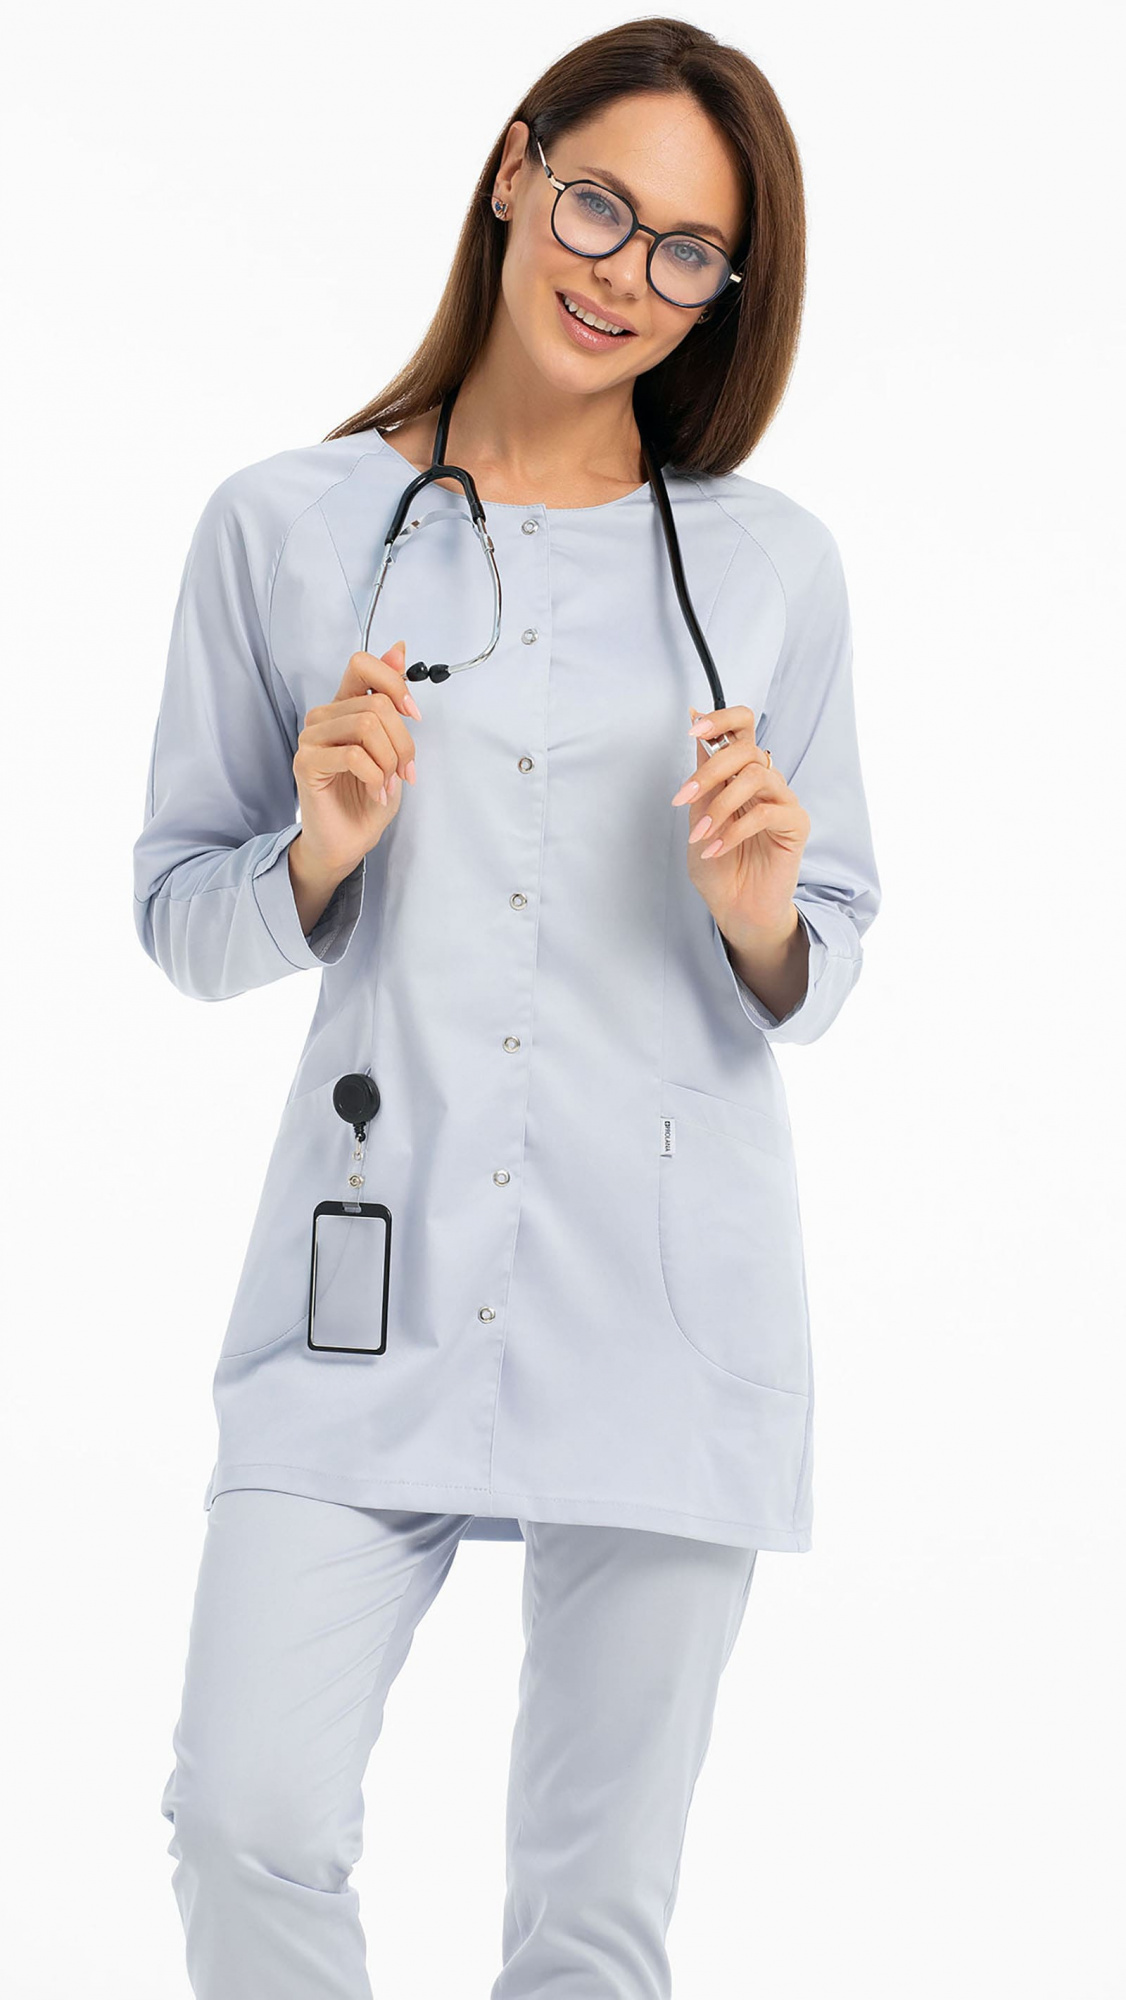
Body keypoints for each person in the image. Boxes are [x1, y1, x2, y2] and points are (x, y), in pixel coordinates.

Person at [133, 18, 881, 1997]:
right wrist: (312, 851)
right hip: (360, 1278)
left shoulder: (769, 568)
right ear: (511, 170)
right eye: (598, 206)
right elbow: (181, 919)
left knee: (588, 1925)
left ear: (723, 291)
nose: (623, 274)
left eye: (686, 251)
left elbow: (824, 954)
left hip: (666, 1294)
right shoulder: (282, 527)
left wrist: (759, 915)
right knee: (246, 1815)